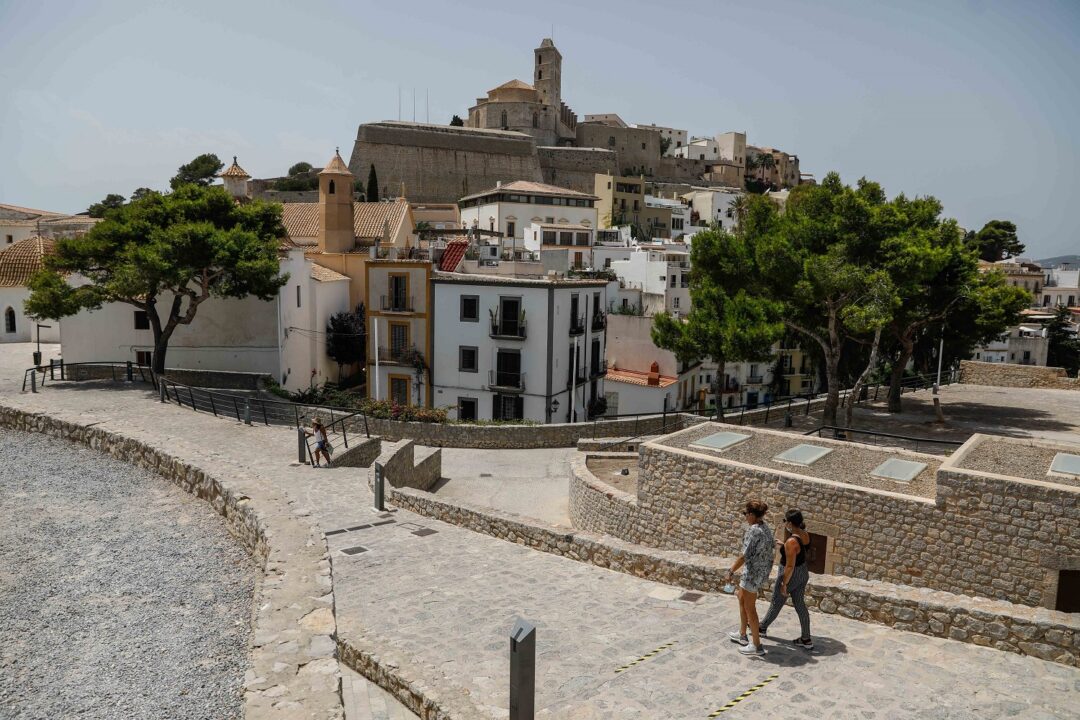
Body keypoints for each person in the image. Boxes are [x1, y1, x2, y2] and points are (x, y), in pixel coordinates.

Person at [759, 509, 813, 649]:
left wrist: (784, 583)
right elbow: (799, 550)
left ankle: (762, 627)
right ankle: (806, 638)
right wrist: (783, 546)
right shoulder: (804, 534)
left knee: (777, 601)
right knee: (800, 604)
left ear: (789, 523)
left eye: (785, 521)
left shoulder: (791, 541)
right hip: (803, 573)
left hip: (791, 574)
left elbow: (789, 566)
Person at [726, 500, 773, 656]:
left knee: (750, 608)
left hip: (751, 575)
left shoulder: (754, 531)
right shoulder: (765, 528)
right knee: (741, 598)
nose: (745, 517)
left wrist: (731, 570)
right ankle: (742, 634)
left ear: (752, 515)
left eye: (745, 514)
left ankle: (757, 646)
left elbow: (744, 555)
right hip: (759, 573)